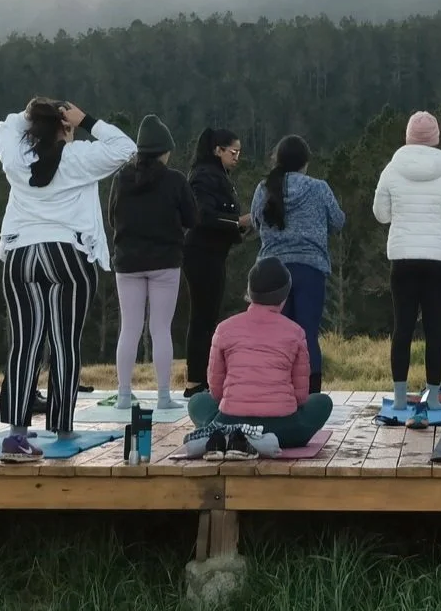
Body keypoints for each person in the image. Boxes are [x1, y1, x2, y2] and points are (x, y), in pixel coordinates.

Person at [0, 97, 137, 445]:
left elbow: (5, 127)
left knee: (24, 343)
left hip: (20, 254)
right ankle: (61, 425)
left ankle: (17, 427)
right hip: (66, 255)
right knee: (63, 343)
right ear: (64, 127)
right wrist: (87, 119)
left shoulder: (15, 157)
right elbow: (125, 148)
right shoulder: (78, 158)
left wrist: (29, 114)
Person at [188, 257, 333, 449]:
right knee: (323, 402)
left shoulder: (224, 329)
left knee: (197, 401)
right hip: (283, 429)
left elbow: (216, 390)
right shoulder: (295, 332)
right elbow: (301, 396)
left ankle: (228, 436)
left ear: (249, 292)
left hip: (231, 422)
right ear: (284, 295)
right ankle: (264, 439)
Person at [372, 110, 441, 415]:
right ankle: (434, 397)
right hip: (438, 259)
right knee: (435, 329)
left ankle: (399, 398)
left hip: (403, 258)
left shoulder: (392, 170)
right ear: (436, 138)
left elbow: (381, 214)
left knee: (403, 328)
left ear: (408, 136)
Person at [108, 114, 196, 414]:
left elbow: (112, 218)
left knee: (129, 328)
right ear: (164, 150)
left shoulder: (121, 179)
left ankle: (122, 395)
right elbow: (191, 219)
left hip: (127, 262)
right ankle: (162, 396)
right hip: (165, 262)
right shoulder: (175, 180)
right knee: (160, 329)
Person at [247, 135, 348, 393]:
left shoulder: (264, 188)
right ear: (305, 163)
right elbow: (338, 221)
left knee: (274, 335)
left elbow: (257, 223)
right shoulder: (319, 188)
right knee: (306, 335)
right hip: (310, 268)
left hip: (271, 271)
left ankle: (275, 390)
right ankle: (310, 393)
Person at [180, 128, 246, 396]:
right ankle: (196, 380)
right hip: (202, 253)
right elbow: (203, 215)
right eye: (233, 152)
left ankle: (203, 377)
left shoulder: (218, 175)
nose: (237, 157)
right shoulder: (204, 176)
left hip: (214, 252)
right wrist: (237, 222)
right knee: (202, 317)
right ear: (217, 150)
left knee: (207, 316)